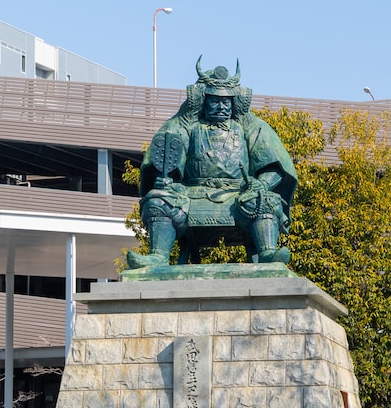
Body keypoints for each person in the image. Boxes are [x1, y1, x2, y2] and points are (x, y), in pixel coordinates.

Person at [127, 58, 298, 269]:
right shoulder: (187, 124)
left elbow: (274, 166)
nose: (221, 106)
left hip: (239, 196)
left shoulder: (250, 126)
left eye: (226, 102)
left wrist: (261, 184)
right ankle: (158, 256)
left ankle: (267, 254)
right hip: (191, 194)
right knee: (158, 201)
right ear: (203, 101)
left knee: (267, 201)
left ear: (234, 103)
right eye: (214, 101)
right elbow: (167, 149)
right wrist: (166, 179)